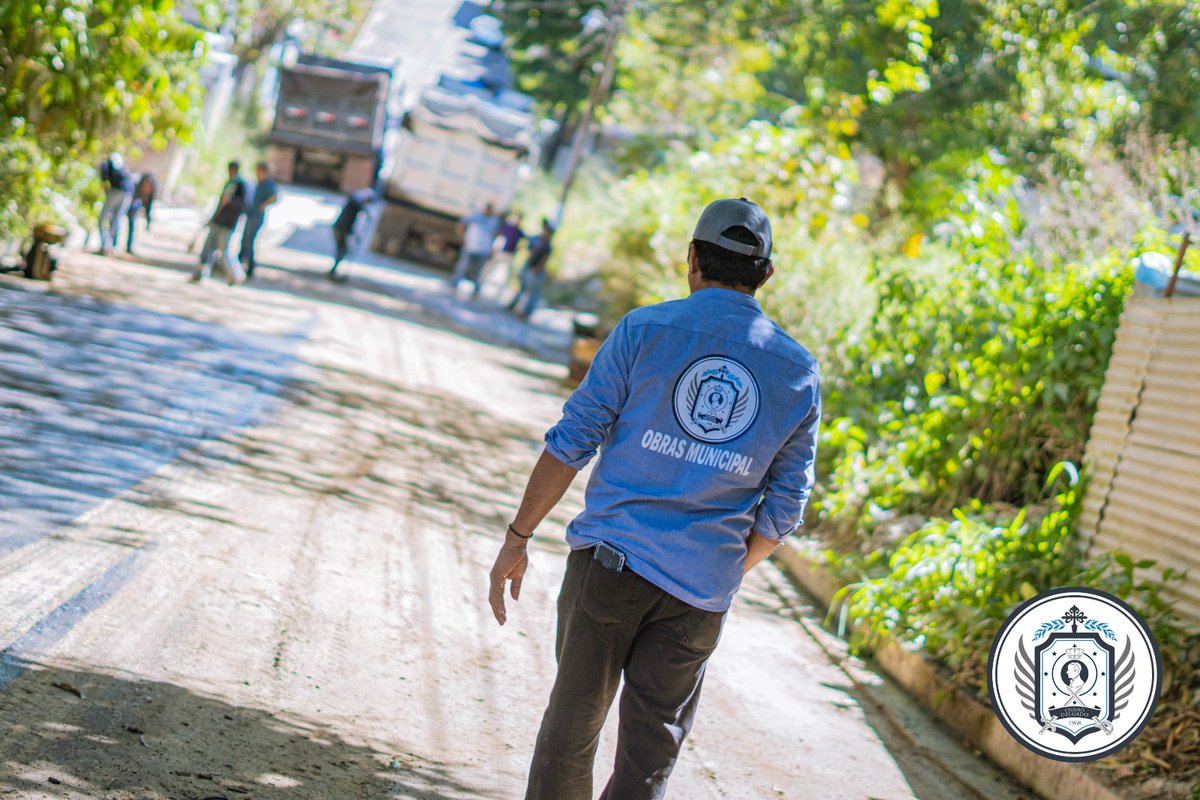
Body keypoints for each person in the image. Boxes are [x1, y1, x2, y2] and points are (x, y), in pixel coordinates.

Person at [488, 198, 821, 800]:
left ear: (692, 259)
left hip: (610, 571)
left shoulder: (644, 330)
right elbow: (786, 507)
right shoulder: (797, 370)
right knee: (649, 759)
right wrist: (718, 567)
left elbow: (573, 440)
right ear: (766, 275)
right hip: (699, 600)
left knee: (571, 737)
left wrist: (519, 537)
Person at [191, 161, 248, 285]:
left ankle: (235, 274)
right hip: (225, 222)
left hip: (224, 222)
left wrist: (214, 216)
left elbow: (225, 202)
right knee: (209, 248)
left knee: (222, 249)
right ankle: (201, 274)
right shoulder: (239, 185)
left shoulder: (235, 184)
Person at [506, 218, 554, 317]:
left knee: (532, 292)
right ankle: (514, 305)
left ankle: (527, 311)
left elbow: (545, 258)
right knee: (522, 288)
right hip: (529, 266)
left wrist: (538, 268)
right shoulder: (538, 240)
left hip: (534, 270)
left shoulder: (547, 245)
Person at [239, 162, 278, 279]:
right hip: (251, 214)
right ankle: (240, 263)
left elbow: (274, 197)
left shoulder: (268, 184)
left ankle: (249, 267)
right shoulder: (259, 183)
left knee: (249, 241)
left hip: (257, 216)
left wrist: (262, 206)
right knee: (245, 239)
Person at [451, 202, 500, 295]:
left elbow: (496, 234)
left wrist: (493, 248)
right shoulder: (475, 215)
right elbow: (461, 224)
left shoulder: (494, 220)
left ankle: (476, 290)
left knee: (478, 271)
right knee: (463, 267)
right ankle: (455, 284)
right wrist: (461, 238)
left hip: (484, 249)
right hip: (471, 246)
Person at [329, 187, 376, 281]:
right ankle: (333, 271)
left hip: (342, 228)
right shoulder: (355, 201)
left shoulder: (355, 205)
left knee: (343, 250)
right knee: (342, 250)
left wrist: (356, 235)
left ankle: (334, 270)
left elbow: (352, 223)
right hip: (340, 228)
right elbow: (356, 202)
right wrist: (367, 212)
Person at [96, 153, 133, 255]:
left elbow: (104, 180)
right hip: (128, 193)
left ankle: (106, 245)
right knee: (116, 220)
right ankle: (109, 245)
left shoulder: (105, 163)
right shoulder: (122, 166)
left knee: (102, 219)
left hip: (116, 191)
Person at [481, 211, 524, 297]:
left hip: (509, 254)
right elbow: (498, 235)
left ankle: (499, 293)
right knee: (488, 269)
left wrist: (517, 249)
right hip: (499, 252)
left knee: (505, 275)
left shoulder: (519, 232)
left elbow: (523, 242)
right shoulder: (507, 227)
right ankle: (479, 285)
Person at [123, 171, 158, 254]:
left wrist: (148, 221)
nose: (147, 188)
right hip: (127, 199)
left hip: (135, 203)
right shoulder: (135, 182)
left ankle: (129, 246)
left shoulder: (152, 190)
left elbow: (149, 206)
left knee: (132, 221)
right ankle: (114, 243)